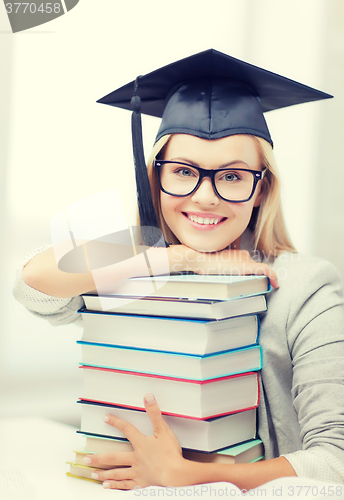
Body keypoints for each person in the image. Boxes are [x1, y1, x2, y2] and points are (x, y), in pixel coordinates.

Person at [13, 49, 344, 490]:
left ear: (262, 189)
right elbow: (34, 281)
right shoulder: (134, 264)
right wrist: (178, 258)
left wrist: (189, 476)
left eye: (231, 176)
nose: (205, 197)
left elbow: (337, 460)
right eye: (184, 171)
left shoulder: (307, 287)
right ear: (156, 178)